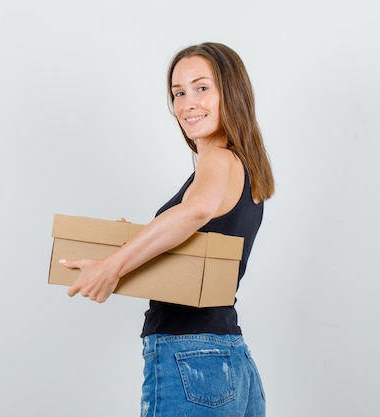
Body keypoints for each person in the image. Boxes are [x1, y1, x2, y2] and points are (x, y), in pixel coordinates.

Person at [59, 42, 274, 417]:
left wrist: (113, 267)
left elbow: (197, 211)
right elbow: (197, 246)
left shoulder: (218, 160)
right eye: (179, 93)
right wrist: (138, 239)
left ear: (232, 93)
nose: (188, 103)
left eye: (202, 88)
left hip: (190, 359)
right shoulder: (244, 167)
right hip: (232, 358)